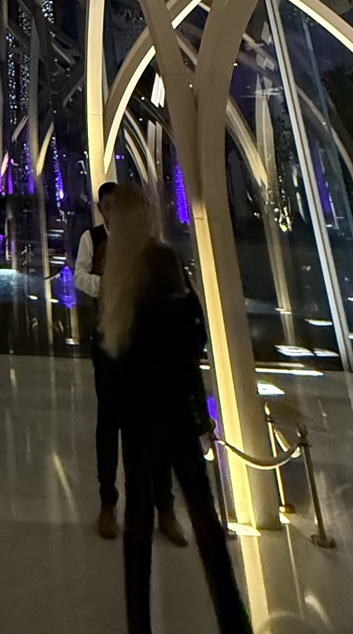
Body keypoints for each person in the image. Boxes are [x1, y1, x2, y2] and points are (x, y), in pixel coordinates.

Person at [100, 184, 252, 634]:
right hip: (174, 411)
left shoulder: (117, 269)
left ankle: (139, 623)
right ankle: (232, 620)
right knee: (205, 521)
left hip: (139, 418)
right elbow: (190, 334)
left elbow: (113, 350)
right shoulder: (161, 261)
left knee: (138, 526)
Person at [76, 183, 186, 545]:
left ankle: (164, 507)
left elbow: (178, 306)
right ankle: (109, 503)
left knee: (153, 431)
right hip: (111, 350)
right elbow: (82, 278)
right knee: (110, 425)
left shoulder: (159, 254)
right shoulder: (97, 243)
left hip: (149, 355)